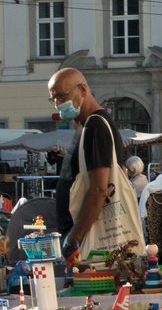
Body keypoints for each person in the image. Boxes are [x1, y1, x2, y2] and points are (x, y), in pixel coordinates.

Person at [50, 67, 145, 265]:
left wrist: (73, 240)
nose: (58, 104)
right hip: (87, 238)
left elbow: (99, 188)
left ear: (83, 90)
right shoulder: (89, 125)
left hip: (91, 242)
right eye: (54, 99)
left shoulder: (95, 126)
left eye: (62, 96)